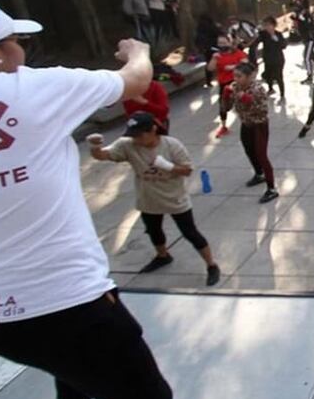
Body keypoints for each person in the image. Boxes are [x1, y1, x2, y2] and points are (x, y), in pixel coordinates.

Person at [0, 0, 172, 399]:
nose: (23, 51)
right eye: (18, 42)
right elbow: (135, 80)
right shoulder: (33, 90)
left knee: (71, 361)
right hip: (66, 304)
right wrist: (138, 47)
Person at [90, 112, 222, 283]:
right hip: (148, 198)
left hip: (174, 197)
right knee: (154, 231)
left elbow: (187, 170)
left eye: (139, 135)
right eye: (133, 135)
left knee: (190, 232)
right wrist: (95, 147)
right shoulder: (127, 145)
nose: (136, 139)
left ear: (153, 130)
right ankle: (163, 255)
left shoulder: (172, 145)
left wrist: (167, 166)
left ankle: (211, 265)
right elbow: (103, 155)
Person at [224, 63, 278, 203]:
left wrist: (245, 99)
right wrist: (226, 97)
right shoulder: (235, 87)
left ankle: (272, 189)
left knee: (261, 155)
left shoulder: (257, 89)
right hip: (245, 124)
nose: (236, 79)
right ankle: (259, 174)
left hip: (259, 125)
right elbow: (226, 108)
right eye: (234, 76)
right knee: (249, 150)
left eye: (239, 76)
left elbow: (261, 109)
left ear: (249, 77)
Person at [206, 34, 246, 138]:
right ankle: (224, 126)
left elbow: (245, 63)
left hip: (237, 82)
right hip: (224, 84)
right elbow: (210, 68)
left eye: (224, 42)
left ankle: (248, 122)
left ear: (229, 42)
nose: (222, 45)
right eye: (220, 43)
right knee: (223, 106)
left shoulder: (237, 53)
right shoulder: (217, 55)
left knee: (242, 102)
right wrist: (214, 59)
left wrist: (233, 67)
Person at [248, 16, 286, 104]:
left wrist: (274, 37)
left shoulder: (278, 34)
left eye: (269, 25)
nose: (268, 27)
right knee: (268, 74)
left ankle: (282, 94)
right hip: (268, 59)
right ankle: (271, 89)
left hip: (278, 59)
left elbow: (283, 45)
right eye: (266, 25)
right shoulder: (263, 34)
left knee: (279, 76)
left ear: (273, 25)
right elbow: (255, 43)